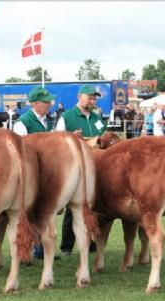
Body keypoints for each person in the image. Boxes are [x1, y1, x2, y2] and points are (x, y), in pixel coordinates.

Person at [56, 84, 106, 256]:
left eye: (94, 98)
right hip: (75, 166)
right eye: (90, 97)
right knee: (73, 206)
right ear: (80, 97)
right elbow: (56, 140)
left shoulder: (97, 117)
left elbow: (103, 135)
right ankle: (67, 246)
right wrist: (71, 136)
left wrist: (104, 139)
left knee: (92, 206)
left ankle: (91, 242)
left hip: (96, 165)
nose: (92, 101)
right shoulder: (67, 116)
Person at [13, 86, 59, 260]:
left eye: (49, 102)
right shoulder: (23, 123)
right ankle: (30, 247)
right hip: (29, 172)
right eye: (46, 102)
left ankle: (41, 247)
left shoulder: (48, 121)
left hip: (44, 171)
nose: (50, 105)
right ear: (35, 103)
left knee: (43, 209)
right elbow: (20, 149)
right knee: (28, 210)